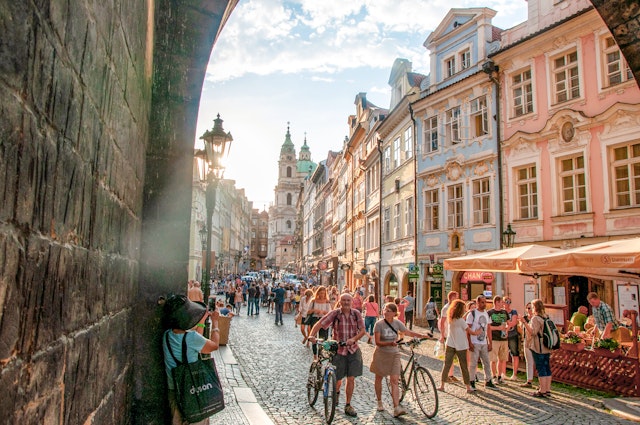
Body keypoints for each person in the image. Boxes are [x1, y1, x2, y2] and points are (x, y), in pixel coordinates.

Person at [162, 294, 220, 425]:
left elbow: (195, 340)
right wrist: (215, 323)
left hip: (174, 390)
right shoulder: (192, 338)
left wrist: (201, 322)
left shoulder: (166, 335)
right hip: (194, 390)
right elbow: (213, 346)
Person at [308, 293, 366, 418]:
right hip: (338, 350)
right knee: (338, 379)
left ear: (351, 302)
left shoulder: (356, 314)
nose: (346, 302)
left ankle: (348, 404)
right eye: (343, 300)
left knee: (351, 378)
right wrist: (312, 335)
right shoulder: (335, 314)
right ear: (340, 301)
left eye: (348, 300)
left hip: (353, 350)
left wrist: (354, 339)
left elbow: (362, 331)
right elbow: (319, 324)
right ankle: (336, 394)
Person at [370, 302, 432, 417]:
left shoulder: (397, 323)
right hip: (381, 353)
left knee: (394, 380)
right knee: (379, 377)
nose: (385, 312)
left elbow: (407, 332)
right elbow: (377, 342)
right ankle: (379, 401)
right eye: (384, 309)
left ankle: (396, 407)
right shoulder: (378, 324)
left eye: (388, 310)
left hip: (394, 354)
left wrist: (422, 335)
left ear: (394, 313)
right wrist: (389, 343)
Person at [438, 299, 479, 394]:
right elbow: (469, 330)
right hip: (461, 345)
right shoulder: (461, 321)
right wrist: (477, 332)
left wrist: (467, 312)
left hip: (450, 344)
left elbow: (461, 319)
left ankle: (442, 385)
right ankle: (468, 387)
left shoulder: (451, 319)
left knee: (446, 365)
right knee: (464, 366)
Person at [519, 299, 552, 397]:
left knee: (540, 367)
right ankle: (547, 389)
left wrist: (524, 323)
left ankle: (542, 390)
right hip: (547, 345)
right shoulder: (546, 317)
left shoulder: (536, 318)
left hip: (539, 346)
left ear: (535, 308)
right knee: (547, 367)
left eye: (532, 307)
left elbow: (533, 332)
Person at [466, 295, 497, 390]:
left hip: (484, 342)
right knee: (473, 363)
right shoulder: (472, 314)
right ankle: (471, 380)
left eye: (485, 302)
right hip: (474, 341)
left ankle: (488, 380)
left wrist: (490, 342)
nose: (484, 304)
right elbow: (467, 328)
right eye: (482, 302)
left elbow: (488, 329)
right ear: (478, 303)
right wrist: (469, 342)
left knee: (486, 362)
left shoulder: (486, 314)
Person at [487, 296, 509, 384]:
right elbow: (488, 327)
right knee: (493, 359)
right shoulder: (490, 312)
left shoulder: (504, 312)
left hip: (503, 338)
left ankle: (500, 376)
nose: (503, 304)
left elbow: (508, 323)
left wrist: (507, 329)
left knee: (502, 358)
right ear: (496, 302)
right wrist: (498, 328)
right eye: (501, 302)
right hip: (494, 338)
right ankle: (493, 376)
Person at [307, 286, 333, 359]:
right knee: (314, 337)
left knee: (323, 338)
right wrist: (315, 310)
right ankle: (315, 354)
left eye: (324, 293)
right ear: (318, 293)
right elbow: (308, 311)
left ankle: (320, 354)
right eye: (321, 293)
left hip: (324, 319)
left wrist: (324, 312)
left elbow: (330, 313)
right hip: (315, 319)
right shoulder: (313, 301)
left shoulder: (327, 301)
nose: (322, 295)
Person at [438, 291, 458, 382]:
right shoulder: (446, 308)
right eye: (456, 297)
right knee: (448, 357)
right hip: (447, 335)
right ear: (452, 298)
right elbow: (442, 322)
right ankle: (446, 376)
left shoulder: (455, 308)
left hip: (454, 335)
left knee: (452, 357)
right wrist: (442, 335)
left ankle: (451, 374)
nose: (457, 299)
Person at [504, 297, 520, 381]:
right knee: (503, 355)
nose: (507, 303)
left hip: (512, 334)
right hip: (503, 336)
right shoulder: (501, 312)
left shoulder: (513, 311)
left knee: (514, 353)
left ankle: (514, 374)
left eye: (509, 301)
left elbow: (514, 322)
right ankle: (502, 373)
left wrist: (507, 327)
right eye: (506, 301)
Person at [519, 302, 535, 388]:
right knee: (529, 361)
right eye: (528, 308)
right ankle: (529, 380)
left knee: (537, 361)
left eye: (531, 308)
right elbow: (521, 329)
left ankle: (541, 381)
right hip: (526, 341)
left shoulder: (536, 318)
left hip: (535, 342)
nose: (529, 310)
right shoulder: (524, 318)